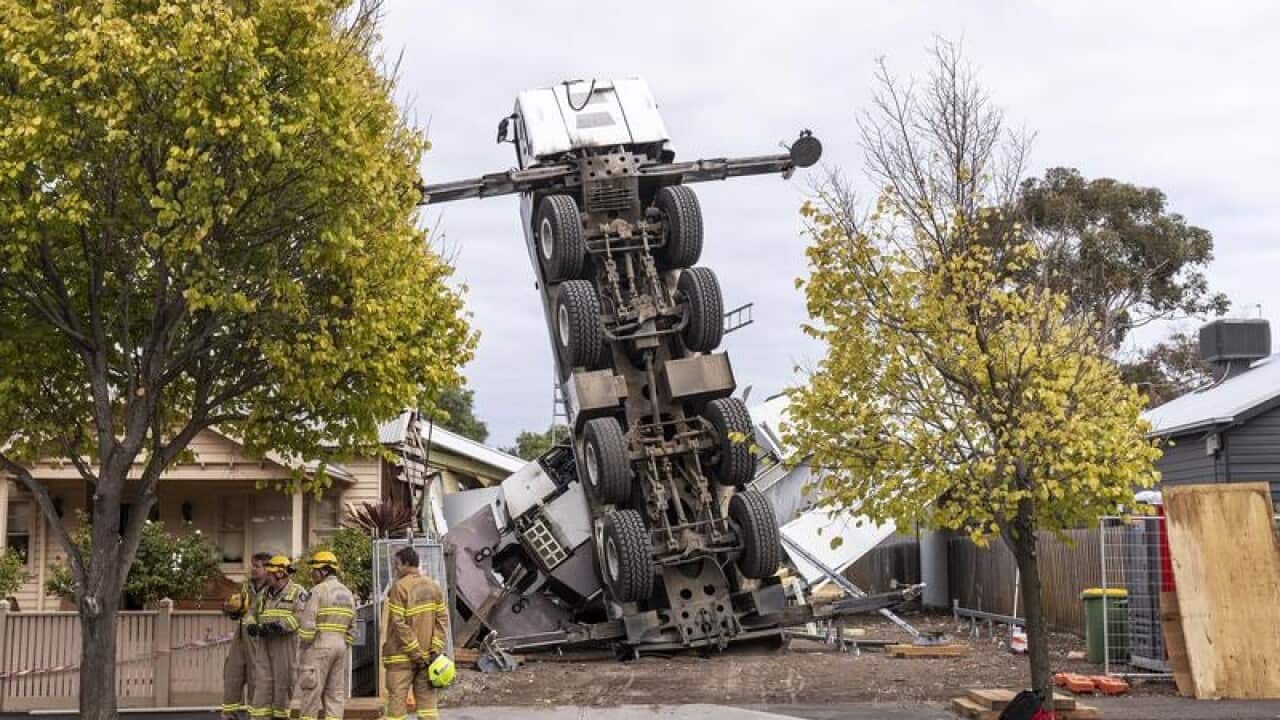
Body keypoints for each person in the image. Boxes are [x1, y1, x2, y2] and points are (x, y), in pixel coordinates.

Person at [382, 546, 453, 720]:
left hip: (401, 658)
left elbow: (398, 623)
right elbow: (442, 619)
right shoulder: (433, 586)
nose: (395, 568)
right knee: (428, 708)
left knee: (397, 707)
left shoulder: (399, 588)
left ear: (407, 564)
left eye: (397, 564)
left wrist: (415, 652)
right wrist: (434, 649)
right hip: (428, 659)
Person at [296, 550, 356, 720]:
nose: (311, 573)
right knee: (335, 695)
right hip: (340, 646)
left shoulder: (318, 591)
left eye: (314, 569)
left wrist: (304, 646)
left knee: (310, 693)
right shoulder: (347, 593)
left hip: (319, 646)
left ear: (323, 570)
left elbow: (308, 624)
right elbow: (352, 626)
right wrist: (344, 643)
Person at [249, 555, 307, 720]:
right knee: (262, 684)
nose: (266, 576)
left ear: (280, 574)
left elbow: (301, 616)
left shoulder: (298, 592)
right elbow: (251, 613)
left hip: (285, 644)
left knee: (283, 684)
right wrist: (252, 625)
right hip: (264, 643)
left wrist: (279, 626)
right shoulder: (264, 594)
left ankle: (281, 717)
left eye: (270, 573)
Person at [222, 552, 271, 719]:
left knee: (256, 684)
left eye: (257, 566)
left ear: (267, 569)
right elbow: (241, 608)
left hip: (259, 642)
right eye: (252, 565)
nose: (253, 569)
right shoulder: (246, 586)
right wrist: (232, 611)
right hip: (240, 639)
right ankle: (229, 716)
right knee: (231, 680)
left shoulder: (272, 591)